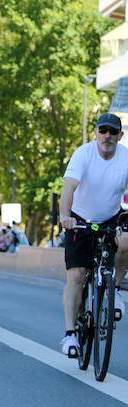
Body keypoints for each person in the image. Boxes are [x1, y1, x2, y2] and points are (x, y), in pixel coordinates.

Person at [59, 113, 128, 357]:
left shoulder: (125, 157)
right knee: (76, 276)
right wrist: (64, 216)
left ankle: (115, 289)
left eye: (112, 132)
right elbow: (68, 188)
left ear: (120, 135)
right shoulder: (83, 154)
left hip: (110, 217)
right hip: (79, 218)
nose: (107, 136)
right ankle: (69, 335)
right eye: (103, 130)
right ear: (96, 133)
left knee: (126, 241)